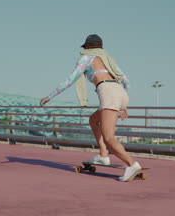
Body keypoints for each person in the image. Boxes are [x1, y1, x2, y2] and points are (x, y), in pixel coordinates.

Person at [40, 34, 142, 182]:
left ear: (87, 47)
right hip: (119, 91)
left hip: (108, 92)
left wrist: (50, 96)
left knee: (109, 138)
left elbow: (71, 79)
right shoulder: (108, 59)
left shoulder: (86, 58)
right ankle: (103, 156)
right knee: (94, 120)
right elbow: (126, 81)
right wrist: (123, 105)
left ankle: (132, 164)